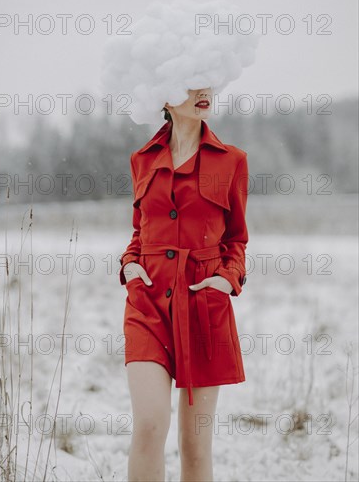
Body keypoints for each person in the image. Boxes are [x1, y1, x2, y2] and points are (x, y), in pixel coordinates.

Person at [119, 87, 249, 481]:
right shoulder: (141, 160)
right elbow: (140, 233)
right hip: (148, 304)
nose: (203, 92)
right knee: (150, 424)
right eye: (190, 83)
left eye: (208, 81)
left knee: (195, 448)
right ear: (164, 93)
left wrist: (225, 281)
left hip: (203, 307)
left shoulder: (232, 162)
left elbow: (237, 241)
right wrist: (129, 266)